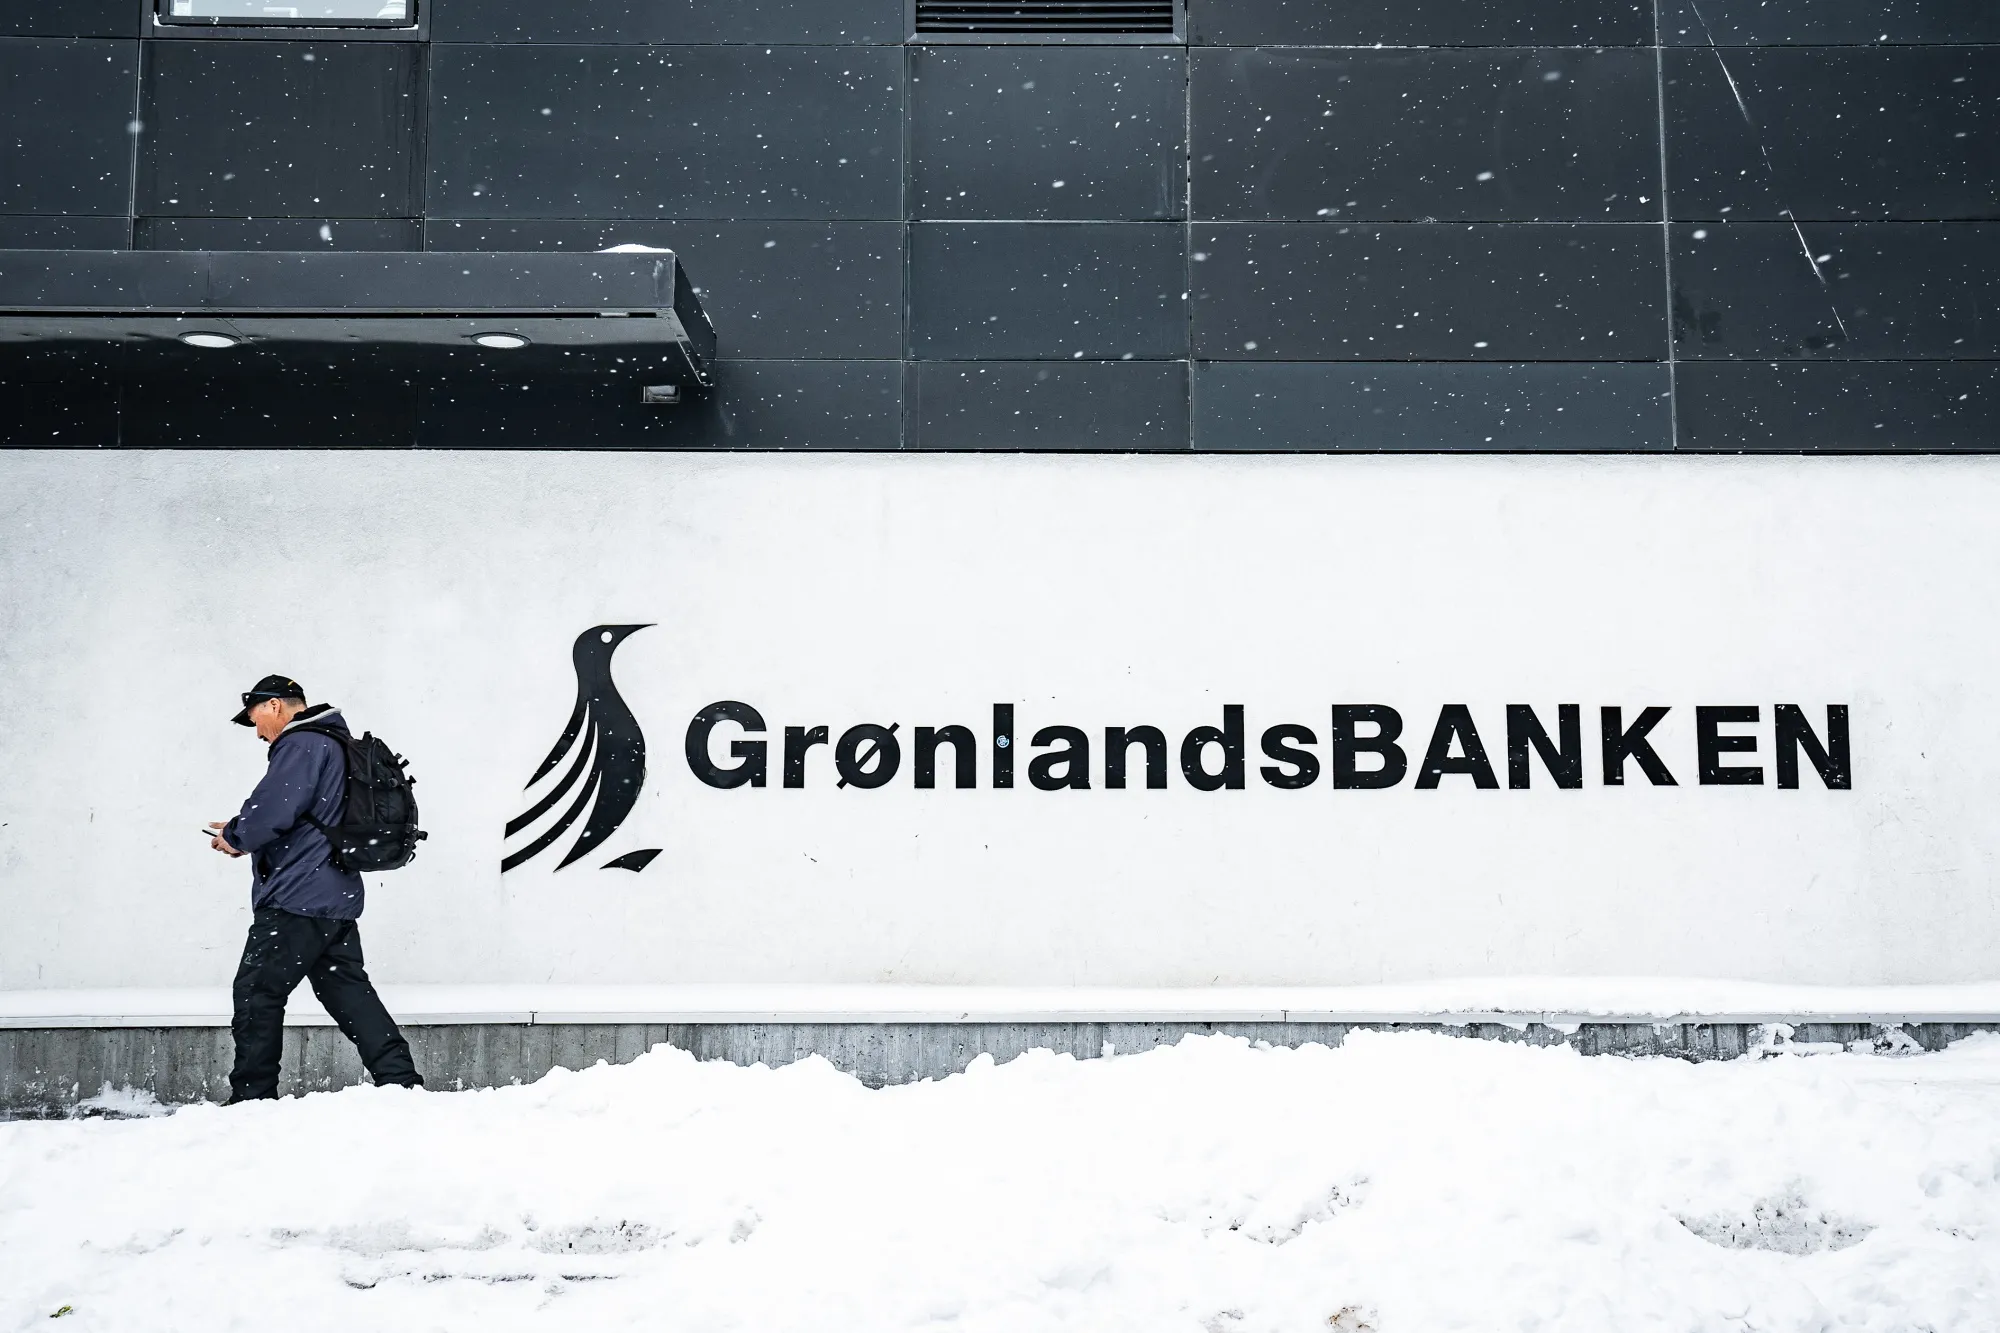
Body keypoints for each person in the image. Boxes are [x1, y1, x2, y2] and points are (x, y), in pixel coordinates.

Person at [208, 675, 422, 1103]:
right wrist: (243, 830)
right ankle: (400, 1082)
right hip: (334, 894)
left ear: (273, 706)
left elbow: (274, 807)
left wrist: (236, 835)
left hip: (297, 896)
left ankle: (251, 1098)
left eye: (254, 720)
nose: (257, 733)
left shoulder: (302, 743)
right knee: (347, 990)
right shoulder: (335, 742)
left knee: (256, 992)